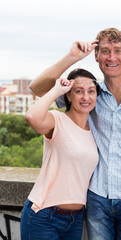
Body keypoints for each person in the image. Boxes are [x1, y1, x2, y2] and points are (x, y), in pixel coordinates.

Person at [29, 28, 121, 240]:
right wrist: (71, 58)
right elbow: (38, 88)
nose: (111, 57)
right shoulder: (90, 94)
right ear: (96, 56)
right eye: (105, 51)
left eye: (118, 51)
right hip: (97, 199)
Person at [20, 68, 100, 239]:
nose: (86, 97)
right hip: (44, 216)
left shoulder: (95, 131)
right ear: (69, 96)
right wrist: (56, 90)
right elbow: (32, 117)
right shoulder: (57, 120)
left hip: (75, 220)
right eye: (79, 91)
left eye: (91, 91)